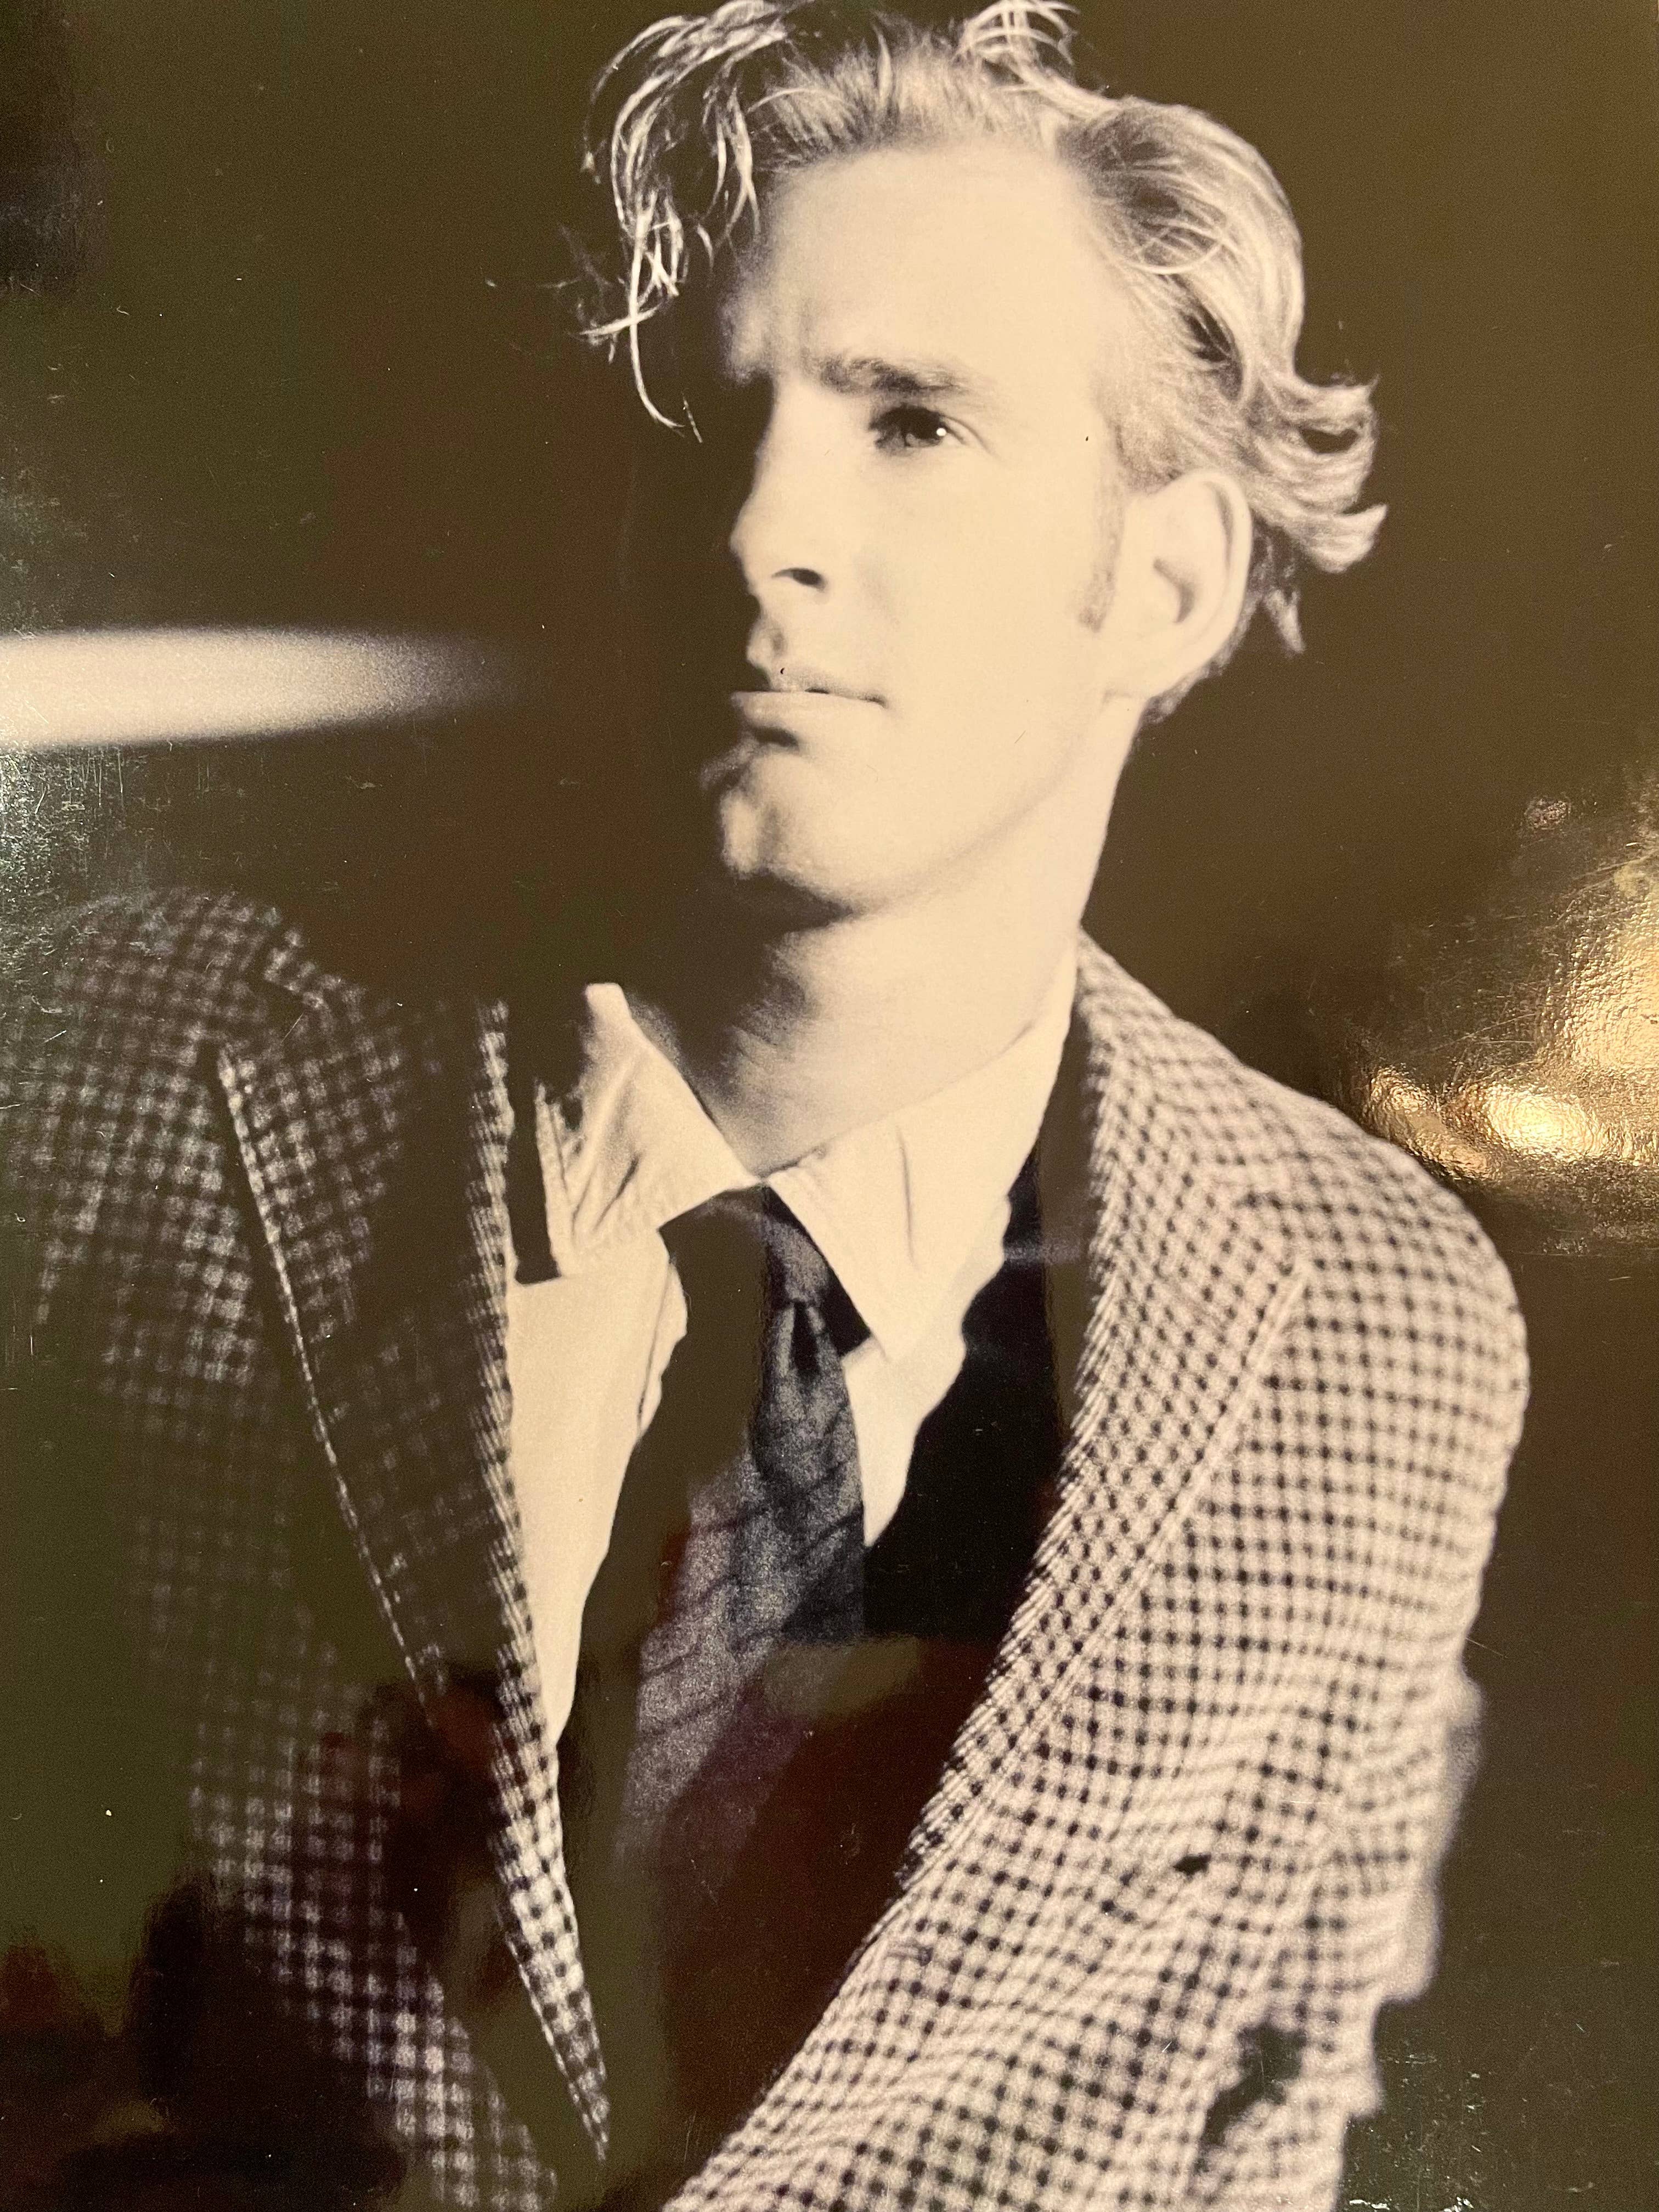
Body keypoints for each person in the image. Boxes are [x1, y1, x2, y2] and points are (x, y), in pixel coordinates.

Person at [0, 4, 1527, 2208]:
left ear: (1167, 579)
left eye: (913, 423)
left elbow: (1260, 2123)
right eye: (719, 424)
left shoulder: (1376, 1327)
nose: (763, 528)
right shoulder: (119, 1068)